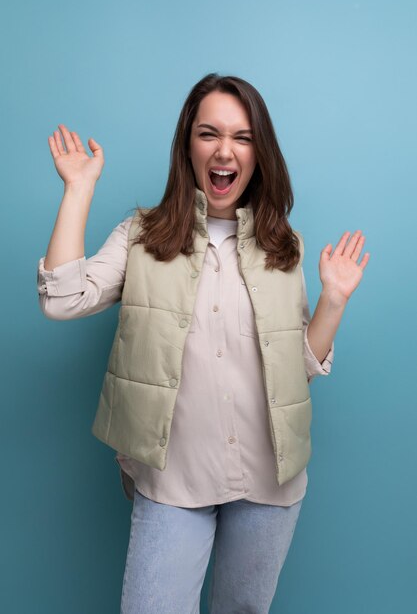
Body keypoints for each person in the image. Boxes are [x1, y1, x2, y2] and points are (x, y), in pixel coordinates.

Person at [37, 73, 369, 614]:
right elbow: (61, 299)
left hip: (269, 478)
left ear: (259, 151)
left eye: (242, 137)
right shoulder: (141, 236)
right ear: (187, 145)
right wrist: (78, 190)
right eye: (208, 133)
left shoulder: (285, 245)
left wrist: (334, 300)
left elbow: (298, 368)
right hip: (173, 476)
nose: (224, 150)